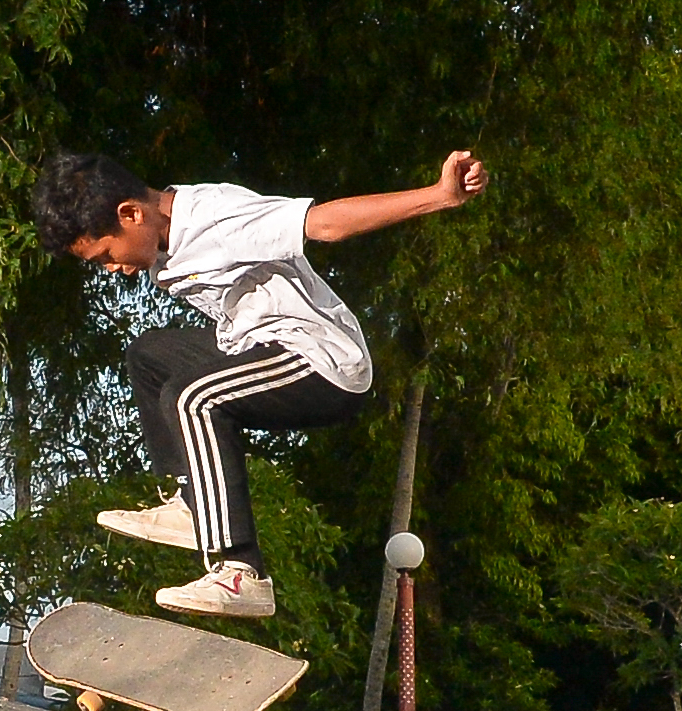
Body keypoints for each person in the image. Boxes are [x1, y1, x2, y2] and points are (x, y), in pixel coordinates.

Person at [29, 147, 487, 624]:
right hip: (259, 347)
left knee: (193, 397)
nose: (113, 268)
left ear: (131, 214)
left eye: (106, 255)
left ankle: (241, 572)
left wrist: (439, 196)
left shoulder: (216, 217)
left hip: (322, 362)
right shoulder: (158, 230)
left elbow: (325, 224)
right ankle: (191, 502)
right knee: (149, 357)